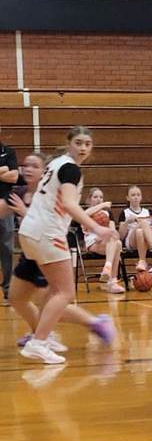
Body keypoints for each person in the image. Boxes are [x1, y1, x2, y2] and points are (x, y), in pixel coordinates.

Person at [13, 128, 116, 363]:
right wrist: (97, 227)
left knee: (36, 293)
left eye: (87, 144)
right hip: (47, 232)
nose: (82, 148)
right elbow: (69, 204)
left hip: (29, 230)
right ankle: (38, 342)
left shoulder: (56, 163)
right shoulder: (70, 168)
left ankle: (42, 335)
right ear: (69, 143)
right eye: (78, 142)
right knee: (65, 291)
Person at [118, 185, 152, 272]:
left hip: (146, 240)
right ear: (127, 198)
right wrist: (127, 222)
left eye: (138, 195)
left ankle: (142, 261)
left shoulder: (148, 212)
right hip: (131, 240)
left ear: (141, 197)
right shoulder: (124, 213)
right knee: (142, 223)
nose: (136, 197)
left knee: (140, 231)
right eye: (133, 195)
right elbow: (121, 236)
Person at [82, 188, 125, 293]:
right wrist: (103, 204)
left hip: (106, 241)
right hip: (92, 241)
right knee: (116, 244)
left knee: (118, 243)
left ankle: (108, 269)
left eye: (101, 197)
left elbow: (114, 233)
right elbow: (85, 215)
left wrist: (105, 236)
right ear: (89, 199)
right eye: (95, 197)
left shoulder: (107, 213)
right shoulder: (85, 212)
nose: (98, 199)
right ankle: (112, 281)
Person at [0, 126, 19, 300]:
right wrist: (2, 171)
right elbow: (7, 173)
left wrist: (8, 172)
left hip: (5, 206)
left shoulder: (8, 152)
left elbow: (14, 177)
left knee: (6, 248)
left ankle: (7, 288)